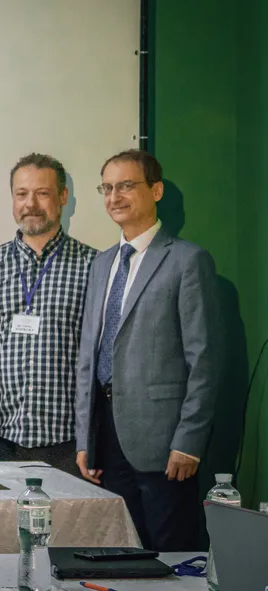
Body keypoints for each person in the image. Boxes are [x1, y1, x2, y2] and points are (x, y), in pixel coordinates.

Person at [75, 150, 218, 552]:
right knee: (121, 555)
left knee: (172, 557)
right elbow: (88, 358)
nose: (114, 196)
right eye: (107, 188)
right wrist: (85, 439)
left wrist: (189, 441)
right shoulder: (101, 264)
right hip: (107, 438)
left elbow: (203, 361)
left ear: (156, 191)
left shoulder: (187, 260)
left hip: (165, 444)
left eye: (126, 185)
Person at [0, 154, 97, 476]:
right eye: (21, 194)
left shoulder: (93, 266)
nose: (31, 204)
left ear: (63, 197)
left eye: (42, 193)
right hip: (1, 438)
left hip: (69, 443)